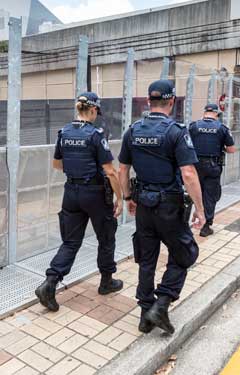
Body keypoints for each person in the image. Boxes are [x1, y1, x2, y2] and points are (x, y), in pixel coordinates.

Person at [118, 79, 205, 334]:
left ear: (148, 101)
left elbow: (123, 169)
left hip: (143, 204)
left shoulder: (133, 131)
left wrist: (127, 198)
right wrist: (200, 209)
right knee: (185, 253)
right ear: (171, 102)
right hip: (169, 206)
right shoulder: (176, 131)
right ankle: (162, 303)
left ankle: (146, 313)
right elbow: (188, 173)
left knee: (147, 259)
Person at [35, 92, 123, 312]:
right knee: (106, 237)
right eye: (96, 113)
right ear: (92, 110)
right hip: (94, 194)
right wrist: (120, 198)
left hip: (71, 192)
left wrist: (76, 170)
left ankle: (50, 282)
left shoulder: (63, 132)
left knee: (71, 242)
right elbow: (110, 172)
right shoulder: (95, 135)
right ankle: (106, 283)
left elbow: (57, 164)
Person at [189, 104, 236, 237]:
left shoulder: (193, 126)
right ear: (216, 114)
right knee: (210, 196)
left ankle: (183, 223)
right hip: (212, 166)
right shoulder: (222, 128)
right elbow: (231, 149)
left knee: (191, 193)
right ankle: (205, 227)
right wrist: (221, 149)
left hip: (194, 165)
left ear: (205, 113)